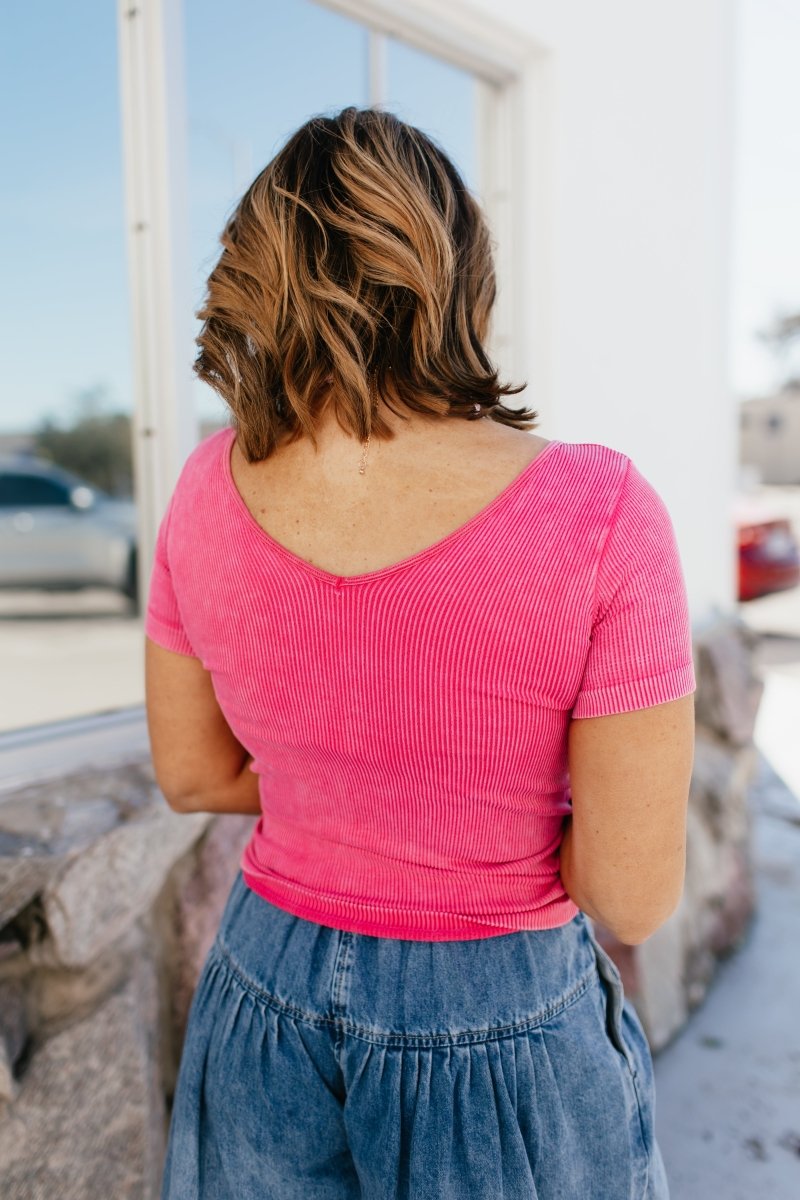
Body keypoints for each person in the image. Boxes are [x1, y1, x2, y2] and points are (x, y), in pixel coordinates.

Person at [144, 105, 696, 1200]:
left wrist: (341, 788)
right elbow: (629, 897)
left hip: (262, 994)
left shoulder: (207, 486)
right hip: (496, 1017)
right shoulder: (599, 512)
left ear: (262, 270)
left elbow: (193, 773)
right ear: (458, 274)